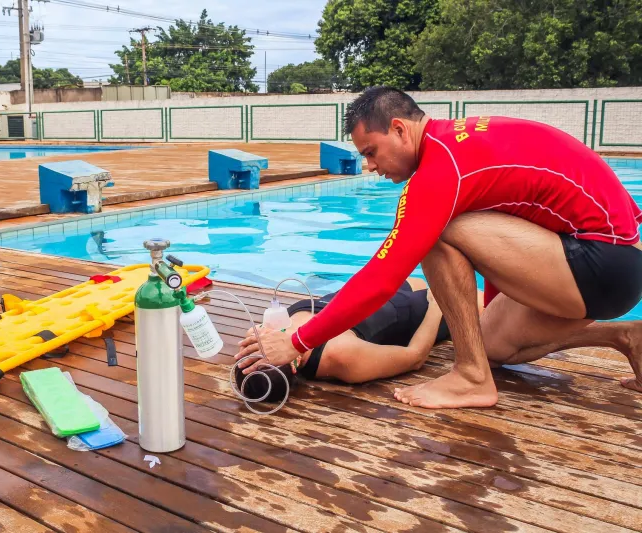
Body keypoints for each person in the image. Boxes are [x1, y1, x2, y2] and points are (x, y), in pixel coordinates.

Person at [236, 86, 642, 409]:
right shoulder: (455, 141)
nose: (371, 167)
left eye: (371, 152)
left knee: (438, 230)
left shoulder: (439, 170)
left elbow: (382, 279)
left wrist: (295, 341)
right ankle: (625, 336)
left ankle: (471, 377)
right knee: (493, 344)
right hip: (609, 260)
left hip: (602, 263)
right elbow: (520, 218)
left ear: (399, 128)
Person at [236, 278, 472, 402]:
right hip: (418, 311)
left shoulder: (273, 328)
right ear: (294, 363)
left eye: (253, 347)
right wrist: (439, 303)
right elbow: (414, 357)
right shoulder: (340, 355)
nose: (259, 336)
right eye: (261, 347)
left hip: (379, 289)